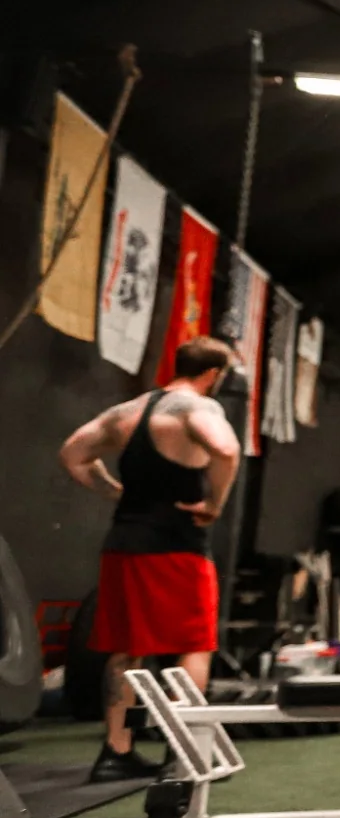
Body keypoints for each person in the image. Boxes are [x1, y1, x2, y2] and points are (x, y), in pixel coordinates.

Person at [59, 336, 241, 784]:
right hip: (176, 545)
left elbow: (73, 455)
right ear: (212, 375)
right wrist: (215, 504)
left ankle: (115, 751)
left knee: (127, 649)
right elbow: (226, 449)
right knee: (193, 644)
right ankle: (184, 754)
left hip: (124, 542)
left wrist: (115, 492)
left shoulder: (128, 411)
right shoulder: (194, 408)